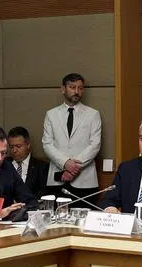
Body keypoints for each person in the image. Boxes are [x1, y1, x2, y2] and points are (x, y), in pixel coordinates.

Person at [42, 73, 102, 206]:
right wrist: (65, 163)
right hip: (57, 178)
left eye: (80, 88)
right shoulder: (51, 115)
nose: (77, 91)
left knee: (84, 222)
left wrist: (73, 168)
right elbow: (47, 144)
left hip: (85, 180)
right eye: (72, 87)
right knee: (56, 221)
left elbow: (95, 145)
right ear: (63, 89)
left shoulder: (93, 114)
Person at [7, 126, 48, 199]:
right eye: (11, 147)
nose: (14, 150)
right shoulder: (3, 164)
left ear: (28, 145)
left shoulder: (42, 167)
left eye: (18, 146)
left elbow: (43, 193)